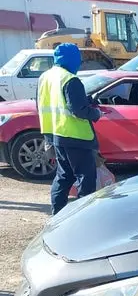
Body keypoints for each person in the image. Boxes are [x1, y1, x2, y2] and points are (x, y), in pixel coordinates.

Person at [36, 43, 101, 215]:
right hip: (76, 137)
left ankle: (57, 214)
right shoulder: (70, 80)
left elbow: (45, 104)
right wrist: (96, 113)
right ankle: (83, 218)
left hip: (54, 134)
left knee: (64, 176)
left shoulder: (45, 77)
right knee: (85, 178)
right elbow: (79, 110)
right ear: (73, 59)